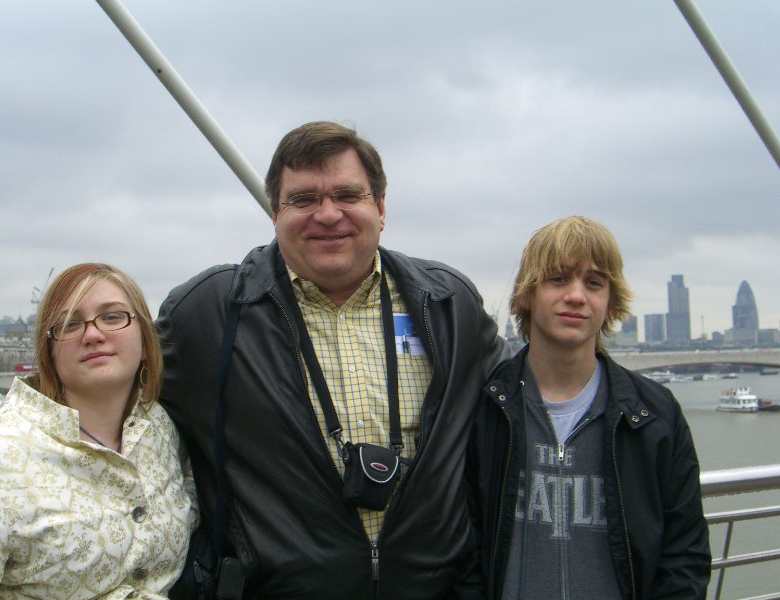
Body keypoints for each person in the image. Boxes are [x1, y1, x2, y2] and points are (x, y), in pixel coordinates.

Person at [157, 120, 509, 598]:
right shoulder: (207, 314)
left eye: (347, 195)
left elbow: (515, 419)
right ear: (274, 212)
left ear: (380, 208)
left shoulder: (448, 305)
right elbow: (117, 415)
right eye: (302, 199)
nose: (327, 214)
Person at [468, 216, 711, 599]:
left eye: (594, 283)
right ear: (527, 294)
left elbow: (684, 552)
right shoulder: (484, 409)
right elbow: (463, 545)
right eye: (558, 279)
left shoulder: (654, 415)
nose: (577, 296)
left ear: (610, 303)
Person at [0, 263, 197, 599]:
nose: (93, 334)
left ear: (144, 336)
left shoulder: (160, 429)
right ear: (49, 350)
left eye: (112, 317)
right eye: (70, 324)